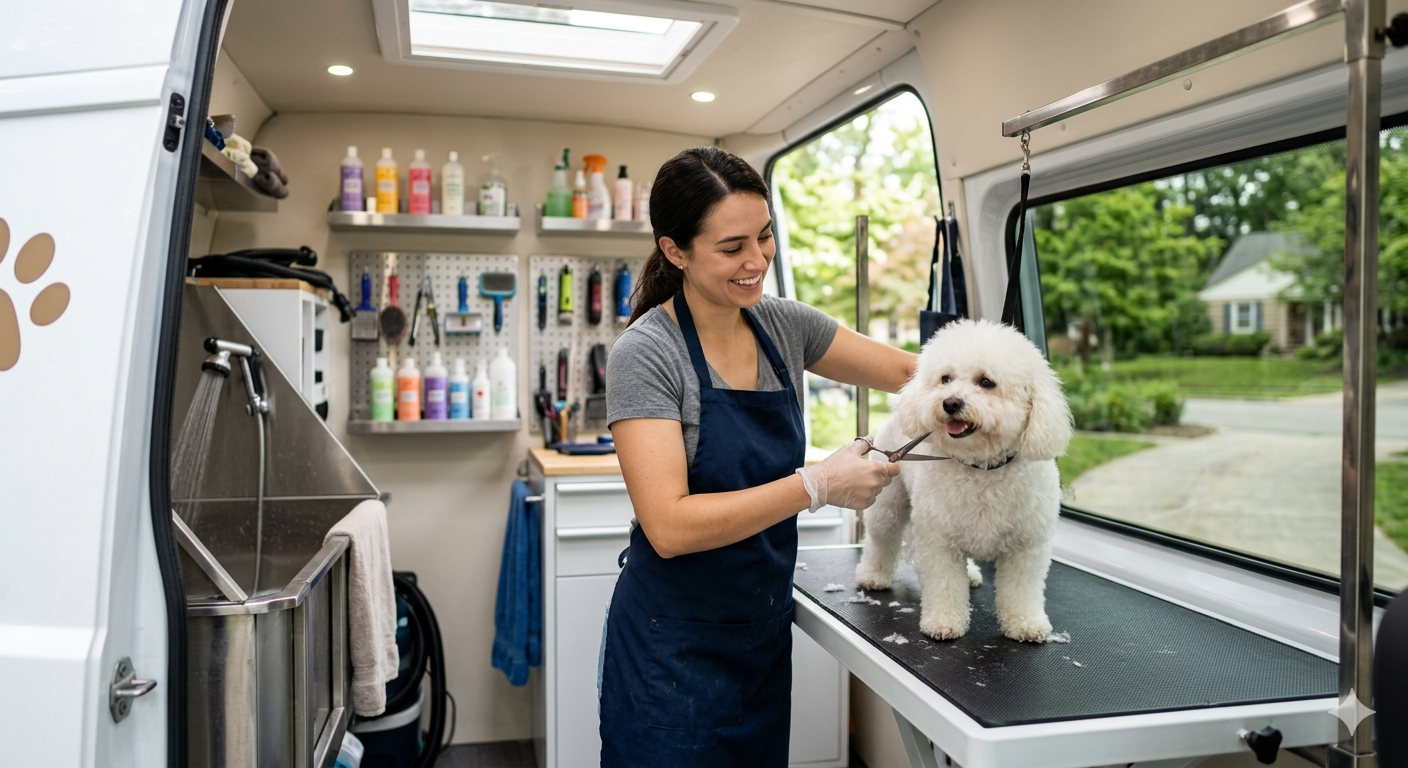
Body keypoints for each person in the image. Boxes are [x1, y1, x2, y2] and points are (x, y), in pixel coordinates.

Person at [599, 146, 918, 767]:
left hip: (759, 639)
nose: (757, 262)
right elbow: (668, 527)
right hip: (673, 649)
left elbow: (914, 373)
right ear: (675, 251)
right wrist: (817, 485)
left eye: (766, 237)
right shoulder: (646, 353)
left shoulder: (783, 326)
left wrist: (1002, 388)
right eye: (732, 247)